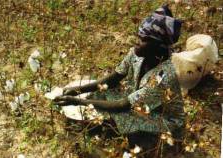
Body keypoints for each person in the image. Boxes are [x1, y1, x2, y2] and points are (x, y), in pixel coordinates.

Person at [54, 5, 185, 135]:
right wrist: (78, 90)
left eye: (144, 39)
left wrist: (79, 102)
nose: (137, 42)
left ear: (158, 46)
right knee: (104, 91)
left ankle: (113, 129)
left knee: (123, 115)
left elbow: (123, 105)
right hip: (139, 100)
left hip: (164, 119)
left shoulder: (162, 77)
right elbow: (113, 79)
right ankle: (109, 124)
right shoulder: (136, 55)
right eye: (139, 36)